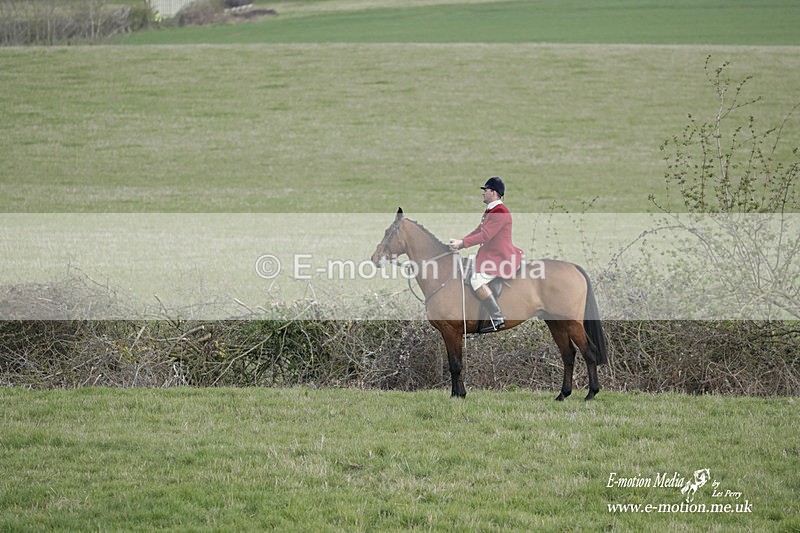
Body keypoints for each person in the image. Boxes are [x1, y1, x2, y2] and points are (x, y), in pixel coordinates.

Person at [449, 177, 524, 333]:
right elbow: (478, 231)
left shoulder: (501, 212)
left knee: (476, 280)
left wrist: (462, 244)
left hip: (500, 258)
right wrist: (460, 242)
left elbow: (485, 236)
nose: (483, 192)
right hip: (491, 256)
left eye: (486, 190)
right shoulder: (491, 210)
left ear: (494, 193)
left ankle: (497, 318)